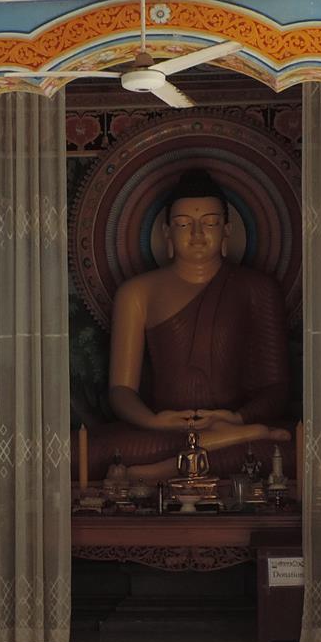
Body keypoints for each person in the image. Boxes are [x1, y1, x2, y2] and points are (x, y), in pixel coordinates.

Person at [85, 170, 291, 480]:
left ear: (227, 232)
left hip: (234, 423)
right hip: (163, 431)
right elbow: (121, 390)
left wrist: (237, 417)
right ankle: (231, 440)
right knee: (83, 451)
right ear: (167, 233)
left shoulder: (257, 289)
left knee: (296, 449)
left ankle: (170, 467)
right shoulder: (137, 293)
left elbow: (277, 388)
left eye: (209, 223)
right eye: (183, 224)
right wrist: (154, 422)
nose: (196, 233)